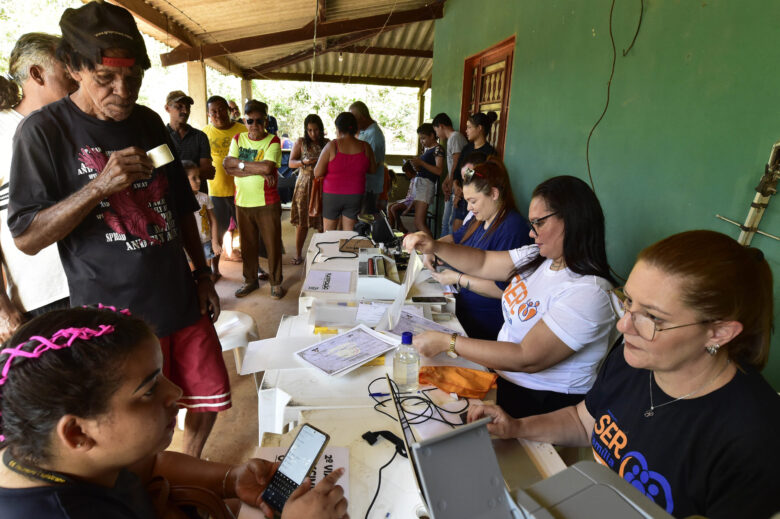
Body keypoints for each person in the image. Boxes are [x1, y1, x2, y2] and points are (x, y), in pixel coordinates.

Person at [7, 1, 230, 459]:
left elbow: (179, 203)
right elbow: (27, 236)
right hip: (114, 318)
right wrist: (99, 187)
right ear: (72, 68)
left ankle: (188, 465)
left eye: (133, 78)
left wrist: (203, 274)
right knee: (135, 427)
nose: (122, 91)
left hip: (178, 296)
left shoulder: (148, 122)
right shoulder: (42, 132)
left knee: (206, 394)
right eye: (105, 79)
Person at [469, 230, 780, 519]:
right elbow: (583, 420)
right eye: (628, 301)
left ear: (719, 333)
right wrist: (517, 427)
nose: (624, 325)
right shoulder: (633, 357)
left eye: (653, 317)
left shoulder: (755, 439)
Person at [0, 306, 349, 518]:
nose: (176, 392)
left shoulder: (54, 454)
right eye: (149, 390)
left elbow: (153, 465)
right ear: (77, 434)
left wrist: (229, 478)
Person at [404, 175, 616, 419]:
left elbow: (526, 357)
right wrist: (435, 247)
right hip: (503, 380)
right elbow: (482, 262)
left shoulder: (589, 292)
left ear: (572, 221)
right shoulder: (538, 257)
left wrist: (449, 342)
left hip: (540, 404)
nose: (531, 231)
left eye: (539, 222)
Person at [0, 33, 75, 342]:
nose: (76, 76)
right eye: (67, 68)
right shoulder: (3, 130)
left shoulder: (75, 127)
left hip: (96, 280)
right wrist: (2, 308)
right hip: (42, 298)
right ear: (37, 74)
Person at [427, 158, 532, 340]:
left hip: (486, 323)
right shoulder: (479, 220)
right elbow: (453, 238)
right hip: (464, 308)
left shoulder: (512, 229)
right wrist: (432, 249)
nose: (469, 207)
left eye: (473, 201)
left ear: (493, 193)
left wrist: (459, 278)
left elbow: (503, 291)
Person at [224, 100, 285, 300]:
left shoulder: (273, 141)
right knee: (247, 245)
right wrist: (255, 168)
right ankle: (250, 281)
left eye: (259, 121)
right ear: (244, 120)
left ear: (266, 121)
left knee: (272, 243)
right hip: (242, 202)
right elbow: (227, 166)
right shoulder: (238, 138)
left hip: (267, 202)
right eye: (250, 120)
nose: (255, 125)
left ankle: (276, 283)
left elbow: (268, 168)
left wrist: (239, 166)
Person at [203, 96, 247, 280]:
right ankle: (215, 269)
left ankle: (255, 268)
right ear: (208, 114)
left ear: (229, 110)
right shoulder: (204, 133)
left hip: (242, 191)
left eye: (221, 110)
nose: (218, 114)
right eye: (213, 111)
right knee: (217, 232)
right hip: (217, 192)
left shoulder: (242, 130)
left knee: (248, 232)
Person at [314, 112, 376, 232]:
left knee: (329, 235)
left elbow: (317, 172)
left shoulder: (332, 146)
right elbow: (372, 170)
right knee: (349, 236)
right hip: (355, 195)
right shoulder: (365, 147)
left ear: (338, 128)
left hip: (332, 195)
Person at [289, 114, 328, 264]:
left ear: (321, 129)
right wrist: (303, 162)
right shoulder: (300, 142)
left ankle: (324, 254)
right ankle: (298, 254)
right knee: (302, 222)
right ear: (306, 130)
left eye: (316, 130)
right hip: (304, 185)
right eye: (310, 130)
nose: (313, 133)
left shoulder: (327, 143)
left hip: (322, 185)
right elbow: (291, 163)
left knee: (322, 222)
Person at [451, 113, 496, 232]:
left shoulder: (489, 152)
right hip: (460, 195)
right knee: (456, 230)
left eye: (469, 127)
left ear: (479, 128)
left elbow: (478, 176)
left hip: (476, 197)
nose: (466, 131)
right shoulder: (467, 148)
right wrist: (456, 186)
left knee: (470, 231)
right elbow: (458, 171)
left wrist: (462, 191)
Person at [165, 90, 214, 194]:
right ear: (167, 108)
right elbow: (158, 174)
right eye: (179, 106)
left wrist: (174, 173)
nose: (185, 111)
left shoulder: (200, 136)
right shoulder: (159, 136)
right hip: (171, 198)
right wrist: (195, 172)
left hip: (198, 200)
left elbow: (208, 172)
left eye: (188, 107)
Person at [432, 113, 467, 237]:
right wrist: (446, 181)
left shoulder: (455, 137)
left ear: (441, 126)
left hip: (457, 186)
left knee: (450, 223)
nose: (437, 135)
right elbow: (452, 165)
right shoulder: (451, 139)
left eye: (436, 130)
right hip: (453, 184)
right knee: (445, 222)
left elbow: (457, 163)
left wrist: (451, 182)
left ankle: (446, 252)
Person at [184, 161, 221, 275]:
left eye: (198, 177)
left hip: (206, 242)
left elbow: (213, 221)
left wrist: (215, 242)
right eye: (194, 178)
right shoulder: (180, 201)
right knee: (194, 275)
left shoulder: (204, 198)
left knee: (206, 273)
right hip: (189, 245)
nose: (199, 180)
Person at [349, 101, 385, 215]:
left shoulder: (374, 134)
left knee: (365, 219)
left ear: (363, 118)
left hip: (370, 187)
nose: (353, 123)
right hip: (363, 185)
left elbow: (371, 164)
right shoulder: (365, 131)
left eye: (355, 119)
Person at [408, 123, 444, 236]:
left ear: (432, 135)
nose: (421, 141)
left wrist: (422, 163)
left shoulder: (438, 149)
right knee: (417, 222)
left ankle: (432, 248)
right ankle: (423, 249)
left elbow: (439, 170)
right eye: (420, 139)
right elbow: (423, 168)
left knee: (419, 223)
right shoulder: (428, 150)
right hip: (420, 184)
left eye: (423, 138)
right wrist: (417, 166)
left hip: (427, 185)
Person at [388, 165, 417, 234]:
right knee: (390, 207)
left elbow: (415, 198)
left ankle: (402, 227)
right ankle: (391, 229)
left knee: (393, 208)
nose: (406, 174)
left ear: (410, 172)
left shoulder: (417, 180)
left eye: (406, 172)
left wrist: (408, 209)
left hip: (412, 203)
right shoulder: (412, 179)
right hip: (408, 201)